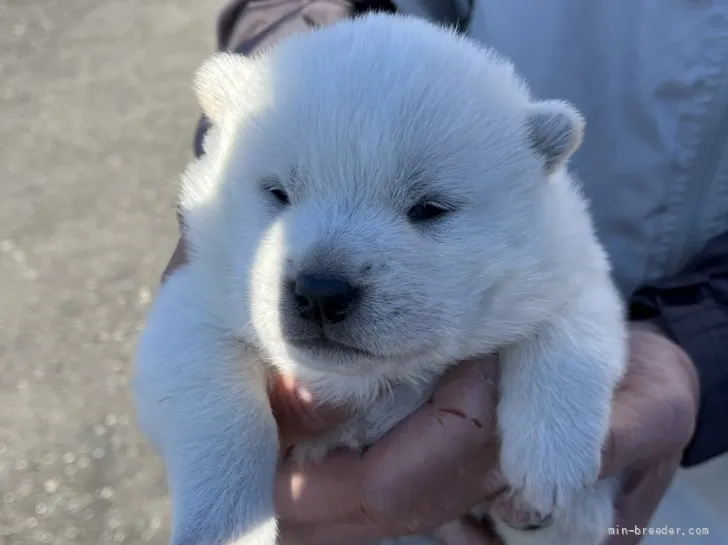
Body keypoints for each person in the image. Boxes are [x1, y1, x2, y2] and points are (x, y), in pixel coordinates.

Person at [163, 1, 728, 543]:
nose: (325, 278)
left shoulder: (537, 214)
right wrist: (282, 95)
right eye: (281, 194)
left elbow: (571, 301)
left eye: (426, 210)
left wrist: (697, 340)